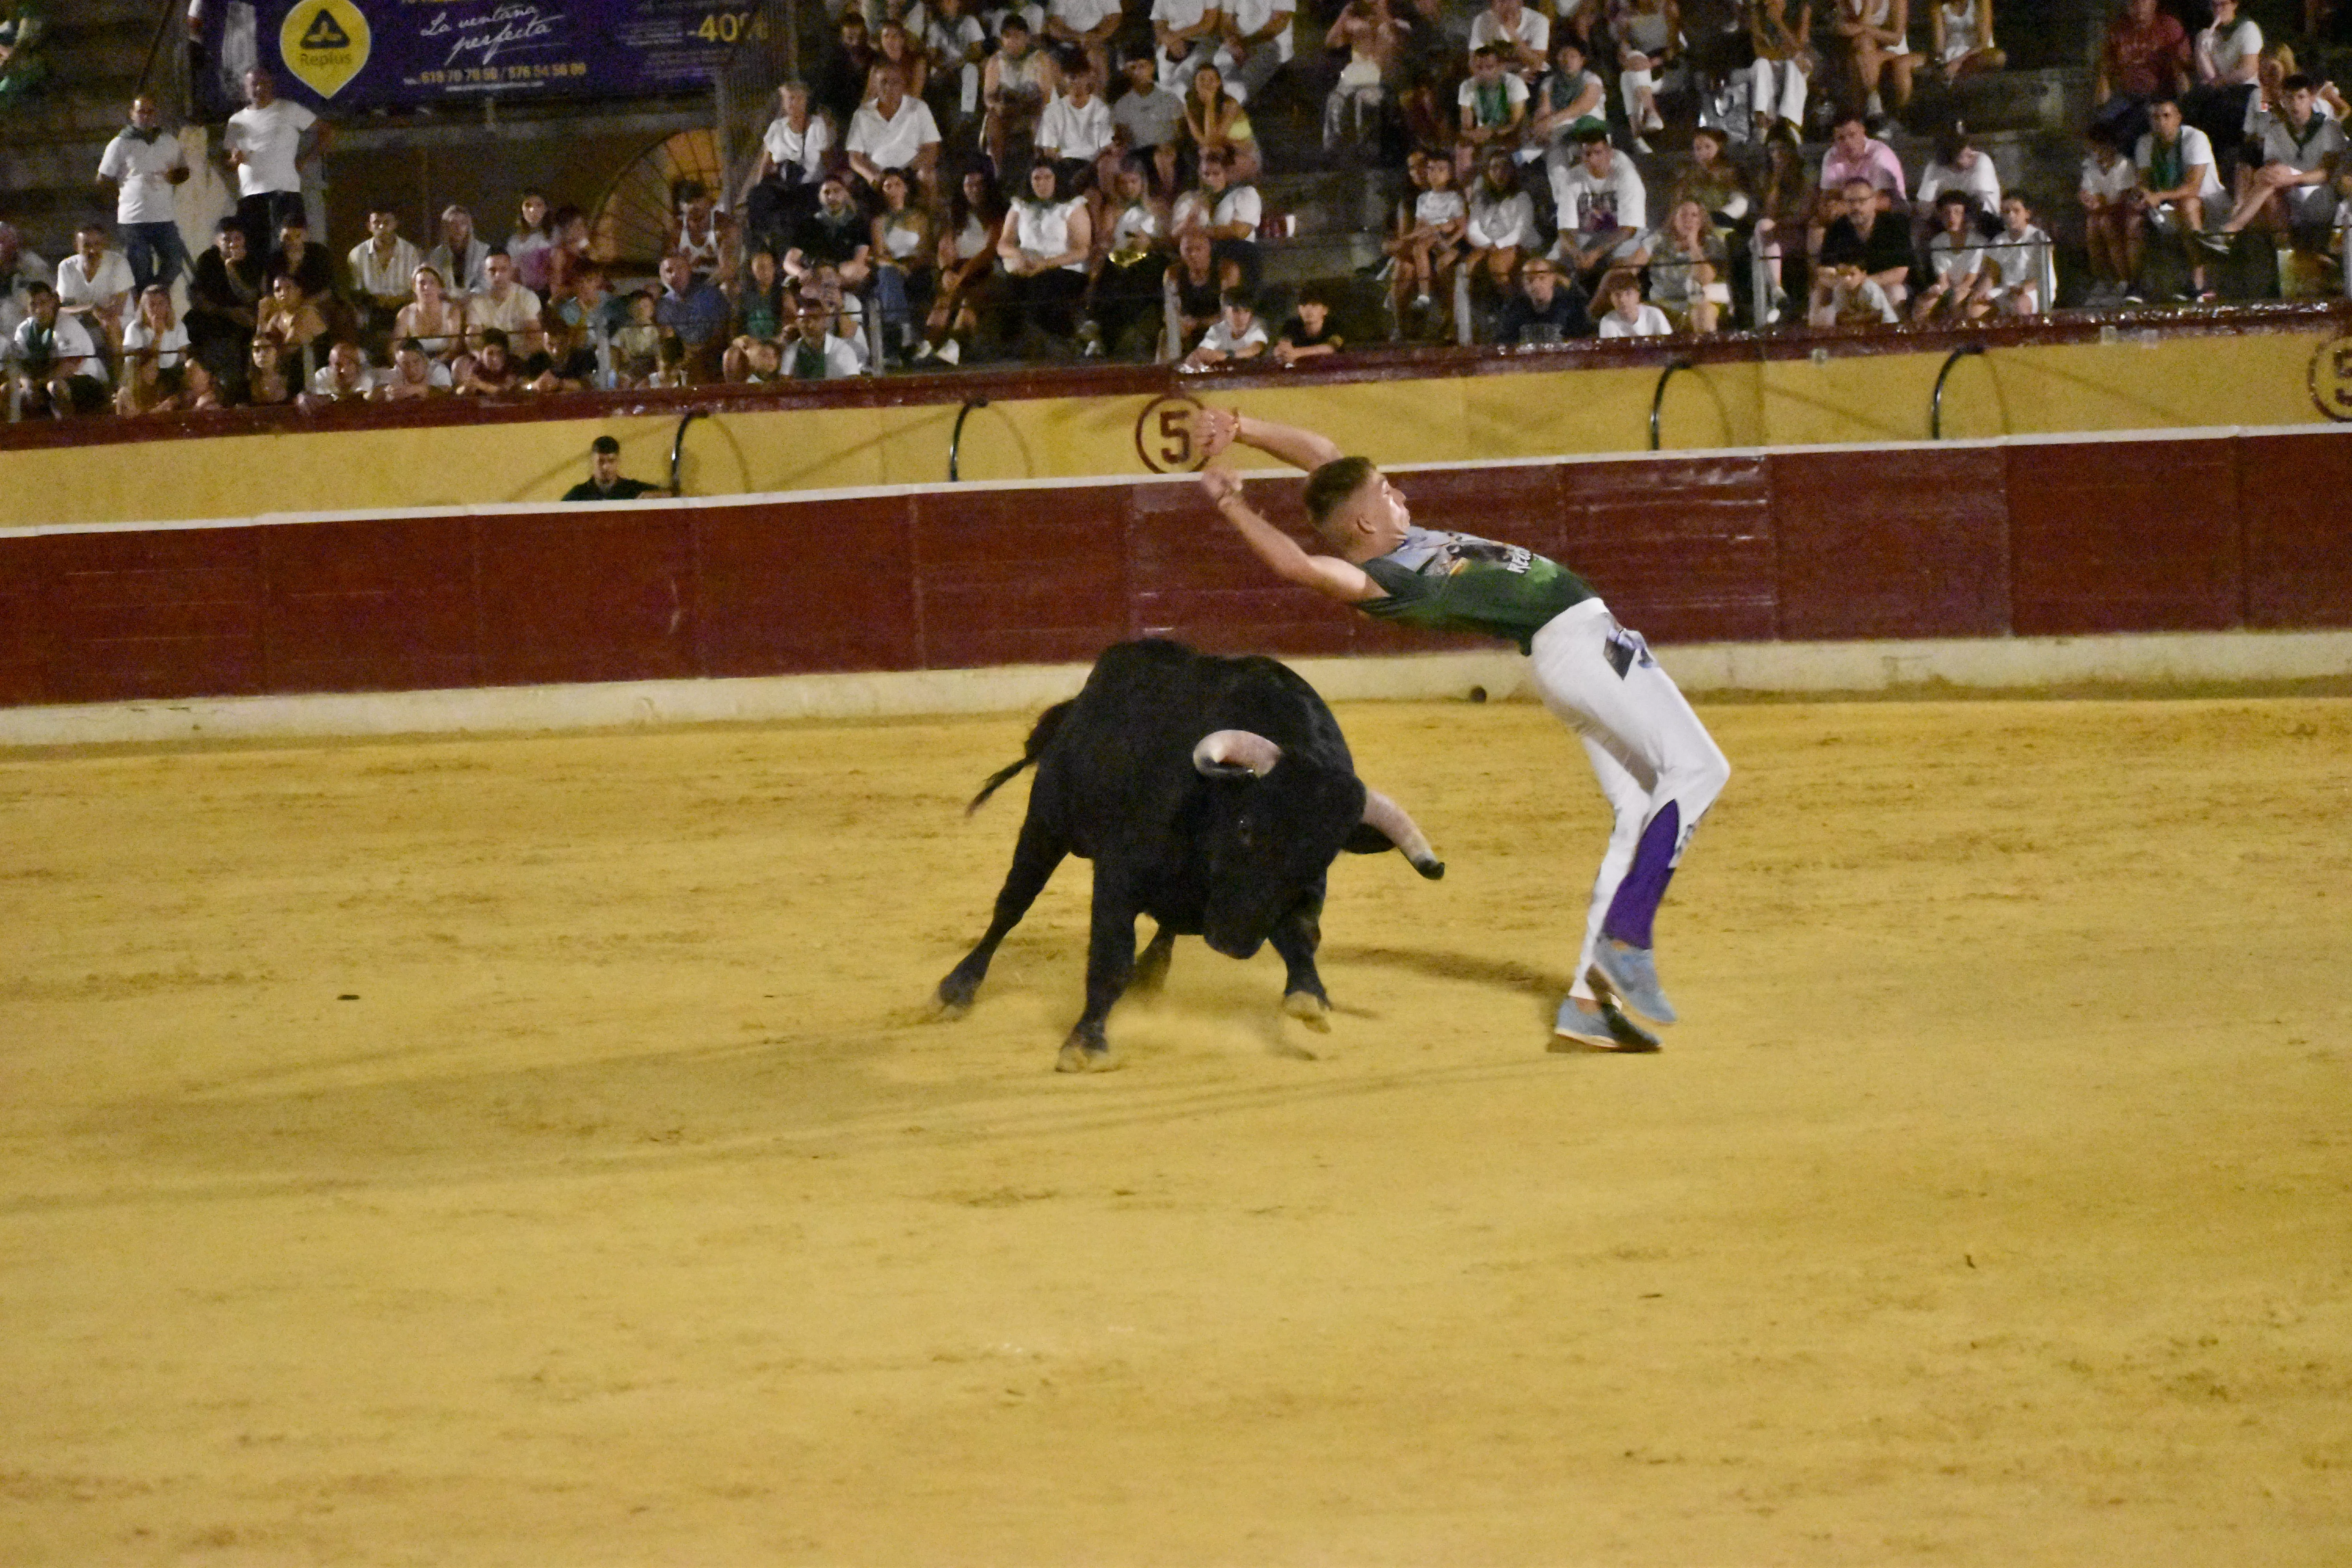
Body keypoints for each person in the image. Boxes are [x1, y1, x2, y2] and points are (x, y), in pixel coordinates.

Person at [1191, 407, 1728, 1050]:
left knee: (1639, 811)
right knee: (1699, 769)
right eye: (1389, 494)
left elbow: (1323, 452)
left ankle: (1589, 1004)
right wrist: (1232, 506)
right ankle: (1627, 939)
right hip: (1578, 646)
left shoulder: (1388, 537)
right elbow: (1297, 567)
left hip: (1577, 646)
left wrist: (1243, 428)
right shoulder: (1382, 581)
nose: (1402, 496)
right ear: (1365, 521)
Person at [96, 94, 191, 298]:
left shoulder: (168, 141)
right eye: (141, 111)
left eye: (150, 111)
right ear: (132, 114)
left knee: (175, 261)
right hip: (134, 219)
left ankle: (154, 296)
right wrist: (122, 197)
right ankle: (145, 305)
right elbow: (103, 178)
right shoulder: (120, 144)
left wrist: (171, 177)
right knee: (140, 267)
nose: (146, 116)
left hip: (163, 217)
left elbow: (184, 171)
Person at [2131, 94, 2225, 299]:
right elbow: (2144, 181)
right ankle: (2133, 286)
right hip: (2168, 205)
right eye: (2156, 117)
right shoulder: (2145, 143)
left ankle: (2198, 283)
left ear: (2179, 117)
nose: (2161, 122)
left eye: (2166, 116)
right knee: (2132, 218)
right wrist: (2144, 194)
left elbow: (2193, 188)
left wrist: (2158, 196)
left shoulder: (2196, 139)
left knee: (2187, 204)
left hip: (2209, 205)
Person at [221, 68, 323, 254]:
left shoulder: (288, 109)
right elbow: (229, 163)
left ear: (272, 86)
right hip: (251, 194)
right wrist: (234, 161)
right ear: (245, 89)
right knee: (255, 249)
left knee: (291, 247)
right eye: (254, 85)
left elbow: (325, 131)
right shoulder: (236, 121)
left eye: (264, 84)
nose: (259, 89)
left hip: (285, 191)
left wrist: (306, 159)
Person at [998, 158, 1093, 349]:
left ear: (1057, 179)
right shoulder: (1020, 206)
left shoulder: (1072, 207)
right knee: (1006, 293)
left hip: (1064, 268)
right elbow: (1004, 243)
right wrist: (1018, 255)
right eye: (1037, 178)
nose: (1042, 183)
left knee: (1041, 291)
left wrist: (1046, 264)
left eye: (1048, 177)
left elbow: (1082, 250)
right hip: (1027, 265)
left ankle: (1058, 346)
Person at [919, 166, 1007, 364]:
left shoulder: (997, 216)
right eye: (969, 184)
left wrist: (963, 273)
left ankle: (956, 344)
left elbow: (990, 251)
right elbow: (945, 246)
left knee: (970, 300)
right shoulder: (955, 216)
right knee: (944, 300)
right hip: (957, 269)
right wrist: (947, 271)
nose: (974, 189)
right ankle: (929, 344)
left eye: (979, 184)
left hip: (986, 270)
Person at [744, 82, 834, 248]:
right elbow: (766, 162)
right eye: (789, 99)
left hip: (810, 185)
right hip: (783, 185)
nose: (794, 103)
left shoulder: (817, 125)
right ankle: (762, 245)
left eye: (798, 99)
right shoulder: (777, 128)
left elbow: (827, 159)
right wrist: (759, 186)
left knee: (798, 212)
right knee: (758, 197)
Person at [2095, 0, 2189, 154]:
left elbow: (2180, 67)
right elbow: (2106, 70)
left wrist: (2185, 101)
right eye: (2133, 3)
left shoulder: (2169, 27)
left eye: (2143, 2)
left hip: (2160, 95)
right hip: (2127, 95)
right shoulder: (2118, 30)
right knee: (2102, 126)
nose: (2138, 6)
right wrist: (2102, 105)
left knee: (2137, 124)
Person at [12, 280, 110, 417]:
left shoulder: (67, 325)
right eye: (33, 305)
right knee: (7, 391)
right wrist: (28, 386)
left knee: (56, 387)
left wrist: (38, 385)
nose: (39, 310)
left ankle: (67, 435)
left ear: (52, 302)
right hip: (43, 383)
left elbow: (69, 367)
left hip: (86, 380)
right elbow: (18, 367)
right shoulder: (24, 331)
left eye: (43, 303)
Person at [848, 64, 944, 201]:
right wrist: (873, 176)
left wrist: (906, 173)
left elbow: (932, 150)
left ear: (903, 84)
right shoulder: (863, 114)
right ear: (875, 85)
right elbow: (854, 157)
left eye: (895, 82)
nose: (889, 87)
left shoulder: (919, 108)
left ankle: (928, 221)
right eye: (884, 82)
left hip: (911, 173)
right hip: (878, 175)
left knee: (928, 176)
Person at [869, 167, 937, 362]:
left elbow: (926, 251)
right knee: (887, 274)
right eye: (888, 186)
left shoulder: (920, 218)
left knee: (888, 281)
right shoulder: (879, 222)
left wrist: (911, 266)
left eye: (898, 184)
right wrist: (898, 267)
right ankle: (903, 328)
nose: (893, 189)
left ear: (906, 189)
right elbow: (880, 255)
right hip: (893, 269)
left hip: (918, 268)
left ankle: (899, 336)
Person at [1818, 176, 1914, 307]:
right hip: (1847, 287)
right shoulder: (1837, 228)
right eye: (1851, 201)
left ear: (1874, 201)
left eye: (1862, 201)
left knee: (1895, 293)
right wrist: (1843, 282)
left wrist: (1862, 282)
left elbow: (1901, 272)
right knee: (1819, 294)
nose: (1856, 207)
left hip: (1885, 287)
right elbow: (1824, 271)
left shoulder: (1895, 224)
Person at [1637, 197, 1729, 332]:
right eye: (1684, 215)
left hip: (1697, 303)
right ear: (1675, 219)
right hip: (1662, 304)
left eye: (1694, 215)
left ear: (1701, 220)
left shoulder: (1712, 244)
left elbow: (1705, 278)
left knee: (1704, 313)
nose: (1689, 220)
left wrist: (1693, 244)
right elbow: (1633, 265)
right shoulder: (1659, 240)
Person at [116, 283, 207, 414]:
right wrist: (158, 336)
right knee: (148, 370)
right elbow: (134, 363)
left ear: (168, 306)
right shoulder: (135, 329)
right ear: (144, 308)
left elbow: (183, 358)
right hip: (143, 375)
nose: (157, 309)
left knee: (194, 366)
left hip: (171, 371)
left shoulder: (178, 327)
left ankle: (196, 408)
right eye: (152, 304)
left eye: (161, 304)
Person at [2079, 122, 2139, 304]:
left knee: (2105, 223)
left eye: (2098, 148)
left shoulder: (2124, 165)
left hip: (2123, 213)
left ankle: (2124, 280)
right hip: (2103, 213)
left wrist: (2100, 206)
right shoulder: (2090, 166)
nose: (2095, 153)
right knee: (2092, 225)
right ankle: (2102, 280)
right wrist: (2088, 200)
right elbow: (2090, 193)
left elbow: (2123, 200)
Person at [1830, 0, 1920, 121]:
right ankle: (1873, 110)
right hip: (1863, 52)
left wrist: (1865, 29)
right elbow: (1841, 29)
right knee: (1862, 47)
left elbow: (1896, 38)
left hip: (1894, 52)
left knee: (1863, 45)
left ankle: (1872, 105)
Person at [1911, 187, 1991, 321]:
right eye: (1946, 213)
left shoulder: (1979, 242)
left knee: (1957, 299)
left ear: (1966, 216)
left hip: (1973, 288)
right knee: (1924, 303)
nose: (1951, 217)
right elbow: (1943, 280)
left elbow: (1971, 280)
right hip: (1952, 289)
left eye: (1957, 212)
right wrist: (1935, 292)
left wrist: (1955, 291)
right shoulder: (1938, 243)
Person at [54, 223, 135, 353]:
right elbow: (65, 308)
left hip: (120, 320)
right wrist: (92, 308)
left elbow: (117, 309)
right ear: (77, 247)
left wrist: (85, 310)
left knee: (110, 323)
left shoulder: (118, 263)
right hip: (85, 320)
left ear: (104, 244)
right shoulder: (66, 267)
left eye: (97, 244)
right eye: (87, 246)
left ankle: (120, 370)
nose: (92, 251)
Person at [346, 207, 421, 345]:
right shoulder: (357, 255)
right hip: (372, 309)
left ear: (395, 224)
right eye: (377, 223)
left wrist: (396, 300)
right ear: (369, 226)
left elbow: (417, 291)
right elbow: (355, 292)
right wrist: (375, 301)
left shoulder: (411, 252)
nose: (382, 227)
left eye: (387, 223)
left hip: (403, 306)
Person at [1612, 0, 1680, 151]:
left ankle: (1639, 132)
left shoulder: (1668, 7)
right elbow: (1623, 50)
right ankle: (1647, 119)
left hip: (1668, 67)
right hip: (1643, 69)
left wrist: (1654, 62)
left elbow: (1675, 46)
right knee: (1630, 70)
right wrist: (1628, 62)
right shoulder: (1626, 17)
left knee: (1629, 77)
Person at [1748, 0, 1814, 142]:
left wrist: (1778, 22)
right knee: (1761, 65)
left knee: (1793, 65)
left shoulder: (1801, 6)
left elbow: (1800, 46)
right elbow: (1759, 50)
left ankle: (1790, 123)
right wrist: (1784, 53)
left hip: (1799, 62)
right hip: (1774, 61)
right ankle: (1763, 122)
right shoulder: (1757, 10)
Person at [1982, 191, 2053, 315]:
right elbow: (1992, 275)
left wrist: (2023, 289)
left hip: (2035, 291)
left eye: (2016, 211)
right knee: (1976, 308)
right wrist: (1982, 293)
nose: (2011, 216)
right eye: (2006, 212)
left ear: (2027, 214)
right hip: (2006, 290)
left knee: (2020, 306)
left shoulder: (2039, 238)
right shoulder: (1998, 241)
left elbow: (2042, 277)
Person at [1495, 254, 1591, 343]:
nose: (1536, 285)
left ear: (1553, 279)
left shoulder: (1570, 306)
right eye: (1530, 280)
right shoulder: (1514, 308)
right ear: (1523, 283)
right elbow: (1505, 342)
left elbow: (1581, 339)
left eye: (1542, 278)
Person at [392, 264, 467, 362]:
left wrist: (433, 365)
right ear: (414, 288)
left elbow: (454, 348)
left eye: (432, 283)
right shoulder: (406, 313)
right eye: (422, 283)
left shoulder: (452, 312)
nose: (427, 287)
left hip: (445, 363)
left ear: (440, 288)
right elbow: (394, 349)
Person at [564, 435, 669, 500]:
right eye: (601, 461)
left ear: (618, 461)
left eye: (611, 461)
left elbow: (675, 496)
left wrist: (654, 497)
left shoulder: (633, 490)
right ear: (592, 461)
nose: (606, 467)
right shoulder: (578, 495)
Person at [1181, 287, 1267, 366]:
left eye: (1247, 311)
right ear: (1225, 312)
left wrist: (1225, 355)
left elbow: (1256, 349)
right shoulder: (1217, 330)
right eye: (1236, 311)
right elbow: (1205, 350)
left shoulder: (1257, 326)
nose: (1242, 317)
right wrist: (1197, 356)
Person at [1928, 0, 2002, 82]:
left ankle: (1959, 75)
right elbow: (1940, 46)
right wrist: (1940, 62)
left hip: (1977, 54)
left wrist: (1960, 61)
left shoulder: (1981, 2)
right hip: (1951, 54)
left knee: (1999, 57)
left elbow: (1983, 43)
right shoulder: (1937, 4)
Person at [426, 205, 491, 294]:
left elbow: (486, 282)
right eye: (453, 224)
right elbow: (434, 282)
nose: (458, 228)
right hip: (447, 301)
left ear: (468, 227)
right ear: (446, 228)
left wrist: (469, 296)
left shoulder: (484, 251)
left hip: (476, 300)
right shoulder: (437, 255)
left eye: (463, 223)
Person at [1272, 282, 1343, 363]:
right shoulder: (1291, 325)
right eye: (1304, 305)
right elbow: (1281, 347)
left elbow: (1331, 348)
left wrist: (1297, 353)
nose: (1309, 311)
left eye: (1314, 305)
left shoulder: (1334, 325)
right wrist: (1282, 351)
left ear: (1325, 310)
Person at [1596, 265, 1673, 334]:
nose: (1622, 300)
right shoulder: (1608, 322)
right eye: (1617, 295)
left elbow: (1669, 345)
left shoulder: (1655, 314)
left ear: (1638, 295)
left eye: (1629, 294)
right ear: (1611, 299)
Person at [371, 336, 451, 400]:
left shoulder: (438, 370)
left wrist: (418, 390)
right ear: (398, 366)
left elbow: (447, 394)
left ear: (425, 361)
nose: (411, 368)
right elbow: (367, 397)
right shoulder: (393, 374)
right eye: (405, 364)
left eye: (416, 362)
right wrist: (386, 391)